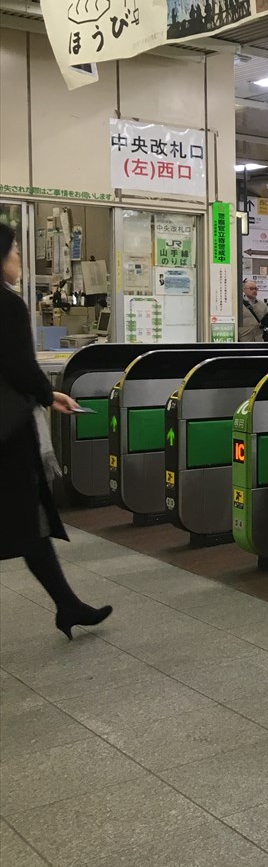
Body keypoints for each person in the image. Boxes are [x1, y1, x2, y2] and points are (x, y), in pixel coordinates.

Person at [0, 224, 112, 639]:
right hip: (7, 437)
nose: (18, 260)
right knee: (27, 520)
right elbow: (20, 368)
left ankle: (67, 604)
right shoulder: (7, 306)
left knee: (28, 525)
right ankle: (67, 605)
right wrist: (49, 396)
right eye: (13, 251)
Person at [239, 277, 268, 342]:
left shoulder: (262, 305)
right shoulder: (238, 305)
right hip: (243, 340)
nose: (254, 291)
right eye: (251, 289)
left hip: (259, 340)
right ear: (244, 290)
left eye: (255, 289)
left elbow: (266, 321)